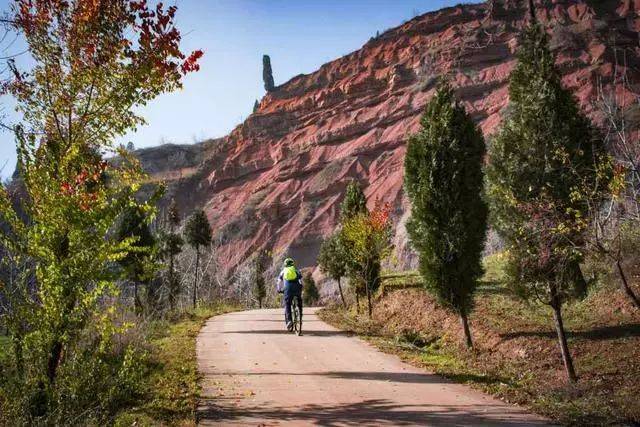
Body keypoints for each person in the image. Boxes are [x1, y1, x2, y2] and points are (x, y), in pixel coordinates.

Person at [277, 257, 303, 332]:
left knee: (288, 304)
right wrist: (301, 288)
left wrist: (279, 290)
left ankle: (289, 321)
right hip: (297, 288)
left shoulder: (283, 271)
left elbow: (279, 282)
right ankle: (300, 316)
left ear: (285, 264)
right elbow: (301, 281)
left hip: (288, 289)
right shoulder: (296, 271)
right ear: (292, 264)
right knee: (299, 301)